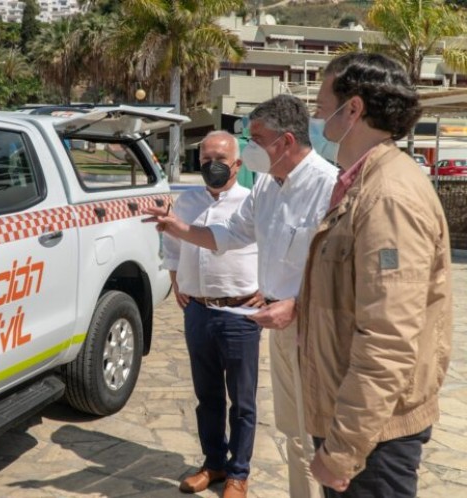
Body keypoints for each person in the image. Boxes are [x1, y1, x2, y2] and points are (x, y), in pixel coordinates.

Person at [145, 94, 338, 498]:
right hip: (278, 327)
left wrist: (297, 303)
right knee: (292, 432)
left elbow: (339, 270)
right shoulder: (268, 186)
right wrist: (177, 229)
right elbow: (228, 236)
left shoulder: (329, 187)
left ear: (284, 142)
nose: (250, 149)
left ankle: (242, 474)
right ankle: (229, 469)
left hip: (316, 330)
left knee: (314, 429)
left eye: (257, 139)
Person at [298, 52, 452, 497]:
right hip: (359, 424)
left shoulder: (388, 197)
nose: (317, 116)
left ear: (354, 109)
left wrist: (343, 448)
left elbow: (387, 338)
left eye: (323, 104)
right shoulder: (364, 183)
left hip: (374, 438)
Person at [163, 131, 261, 498]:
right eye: (205, 159)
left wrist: (267, 292)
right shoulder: (186, 203)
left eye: (220, 158)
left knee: (242, 400)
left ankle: (239, 473)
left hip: (240, 314)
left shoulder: (251, 203)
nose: (212, 165)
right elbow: (171, 245)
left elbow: (275, 250)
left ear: (237, 164)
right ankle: (214, 462)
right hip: (198, 312)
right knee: (207, 396)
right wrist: (177, 282)